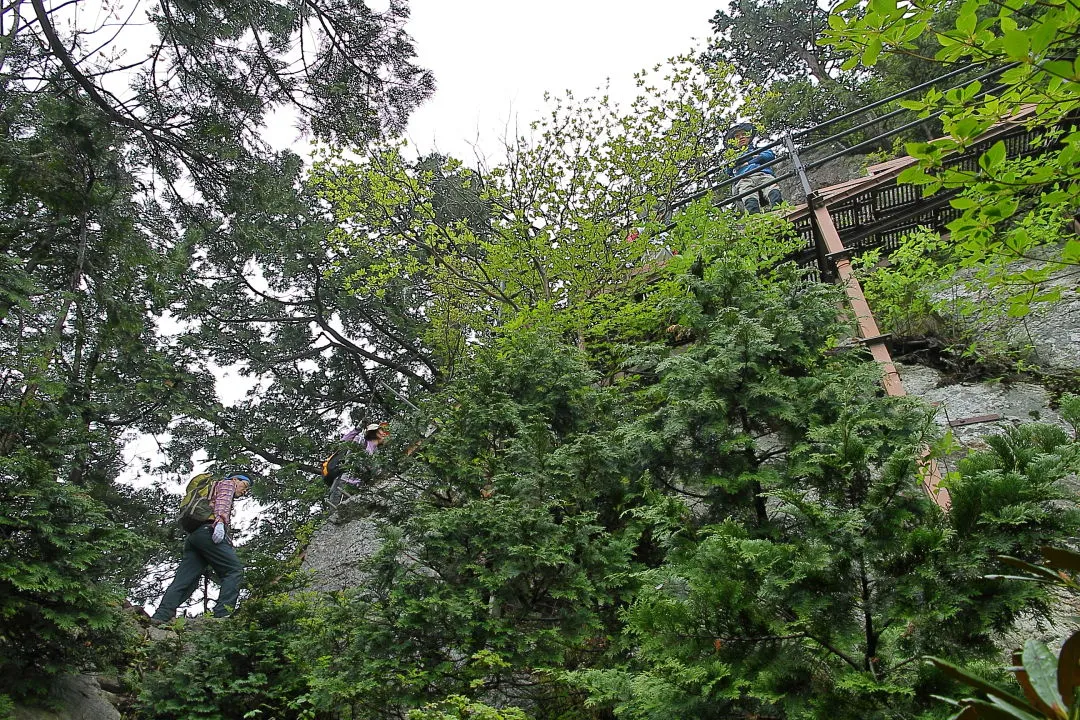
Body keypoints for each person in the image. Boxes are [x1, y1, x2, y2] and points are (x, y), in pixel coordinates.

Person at [150, 471, 255, 624]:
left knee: (186, 579)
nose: (244, 491)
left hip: (195, 537)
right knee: (234, 570)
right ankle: (222, 615)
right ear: (235, 479)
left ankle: (161, 616)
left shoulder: (210, 488)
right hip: (209, 532)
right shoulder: (227, 483)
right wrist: (220, 521)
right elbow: (223, 502)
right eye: (244, 486)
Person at [724, 123, 783, 214]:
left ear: (749, 137)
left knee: (772, 188)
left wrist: (747, 162)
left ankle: (779, 211)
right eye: (737, 136)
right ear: (733, 141)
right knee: (748, 196)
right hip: (744, 178)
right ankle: (756, 219)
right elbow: (728, 169)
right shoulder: (732, 157)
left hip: (762, 173)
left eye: (744, 134)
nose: (741, 137)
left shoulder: (758, 149)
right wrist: (754, 158)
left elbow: (769, 155)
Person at [326, 422, 390, 505]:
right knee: (337, 512)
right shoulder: (362, 440)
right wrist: (358, 428)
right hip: (344, 482)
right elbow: (343, 443)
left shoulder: (375, 452)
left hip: (357, 488)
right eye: (382, 430)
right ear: (374, 432)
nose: (385, 434)